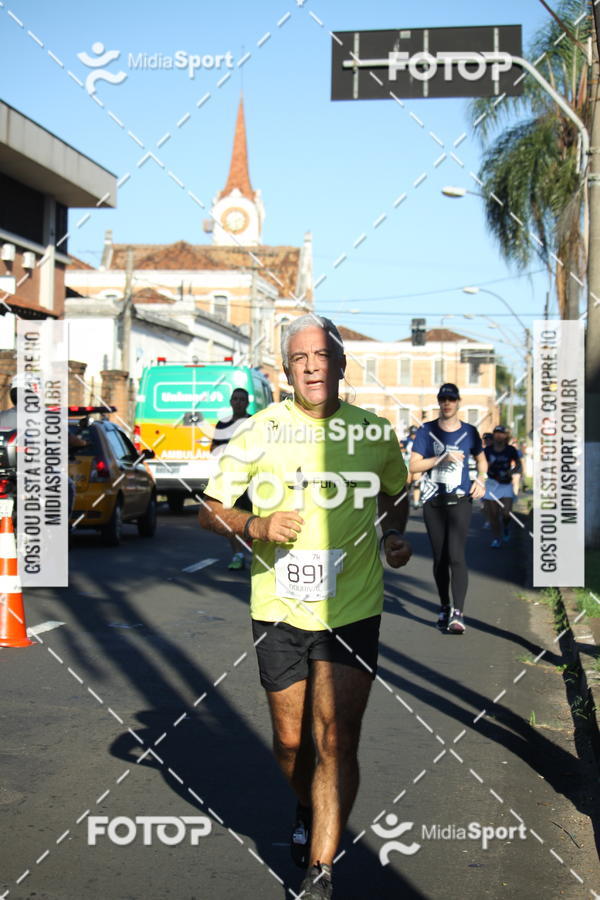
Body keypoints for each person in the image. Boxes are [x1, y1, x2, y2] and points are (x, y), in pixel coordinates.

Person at [199, 315, 411, 899]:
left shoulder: (373, 434)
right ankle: (307, 808)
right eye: (299, 359)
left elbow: (396, 494)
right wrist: (257, 522)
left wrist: (394, 534)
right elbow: (210, 509)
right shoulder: (259, 430)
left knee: (336, 738)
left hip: (353, 606)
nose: (312, 366)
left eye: (321, 355)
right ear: (288, 369)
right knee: (293, 744)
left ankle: (322, 869)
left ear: (341, 363)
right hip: (278, 607)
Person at [409, 383, 486, 634]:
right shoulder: (426, 431)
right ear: (439, 402)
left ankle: (458, 612)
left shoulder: (470, 432)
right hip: (433, 502)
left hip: (460, 501)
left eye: (451, 399)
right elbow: (414, 466)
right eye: (443, 399)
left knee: (456, 555)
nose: (447, 403)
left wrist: (481, 479)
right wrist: (441, 458)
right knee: (440, 558)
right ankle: (444, 605)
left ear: (458, 402)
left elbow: (481, 460)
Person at [210, 387, 252, 570]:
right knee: (231, 519)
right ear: (230, 402)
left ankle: (252, 551)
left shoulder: (254, 422)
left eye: (242, 399)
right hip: (229, 478)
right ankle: (237, 554)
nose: (238, 402)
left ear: (247, 403)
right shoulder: (222, 424)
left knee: (251, 518)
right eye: (235, 399)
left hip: (252, 480)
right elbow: (214, 449)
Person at [483, 425, 522, 547]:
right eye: (496, 433)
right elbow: (482, 465)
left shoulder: (510, 450)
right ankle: (496, 538)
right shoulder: (488, 450)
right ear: (494, 435)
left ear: (506, 436)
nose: (499, 435)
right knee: (493, 515)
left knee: (506, 512)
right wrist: (486, 467)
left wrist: (512, 471)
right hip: (492, 484)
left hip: (505, 484)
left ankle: (505, 527)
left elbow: (518, 464)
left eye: (502, 433)